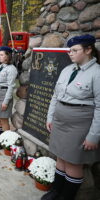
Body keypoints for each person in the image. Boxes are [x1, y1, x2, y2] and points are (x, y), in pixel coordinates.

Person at [42, 35, 100, 200]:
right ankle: (56, 191)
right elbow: (55, 96)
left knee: (73, 163)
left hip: (79, 126)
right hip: (60, 121)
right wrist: (50, 117)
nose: (70, 53)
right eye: (70, 50)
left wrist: (93, 136)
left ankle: (65, 197)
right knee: (60, 157)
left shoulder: (97, 73)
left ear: (88, 50)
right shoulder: (67, 70)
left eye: (75, 50)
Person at [0, 46, 18, 150]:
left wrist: (6, 102)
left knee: (4, 119)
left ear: (8, 56)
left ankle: (6, 142)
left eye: (2, 55)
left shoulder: (12, 69)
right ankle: (0, 139)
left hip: (4, 94)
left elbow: (11, 86)